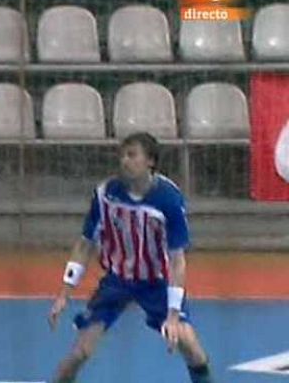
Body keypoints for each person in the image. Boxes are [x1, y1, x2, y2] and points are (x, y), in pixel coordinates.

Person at [48, 132, 213, 383]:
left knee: (191, 347)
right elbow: (85, 244)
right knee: (80, 353)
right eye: (122, 155)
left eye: (132, 155)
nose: (125, 161)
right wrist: (64, 292)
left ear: (150, 161)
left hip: (156, 283)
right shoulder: (106, 194)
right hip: (117, 281)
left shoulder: (168, 199)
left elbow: (177, 261)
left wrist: (172, 316)